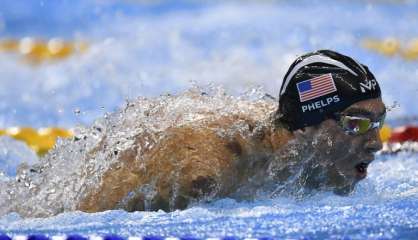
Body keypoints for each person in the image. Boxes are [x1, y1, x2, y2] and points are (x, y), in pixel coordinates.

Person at [78, 50, 386, 213]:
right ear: (307, 126)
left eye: (378, 123)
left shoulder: (306, 159)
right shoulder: (206, 175)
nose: (376, 144)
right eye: (356, 124)